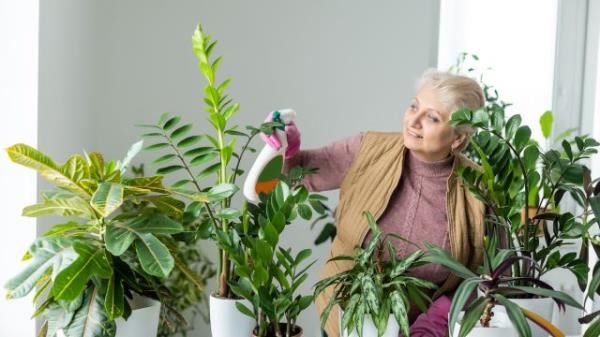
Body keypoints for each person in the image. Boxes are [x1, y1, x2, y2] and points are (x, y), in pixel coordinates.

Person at [260, 69, 487, 337]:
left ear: (458, 137)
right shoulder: (367, 149)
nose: (414, 120)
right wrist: (283, 148)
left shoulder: (478, 189)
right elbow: (292, 176)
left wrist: (438, 319)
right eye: (414, 106)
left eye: (432, 117)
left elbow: (492, 278)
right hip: (343, 322)